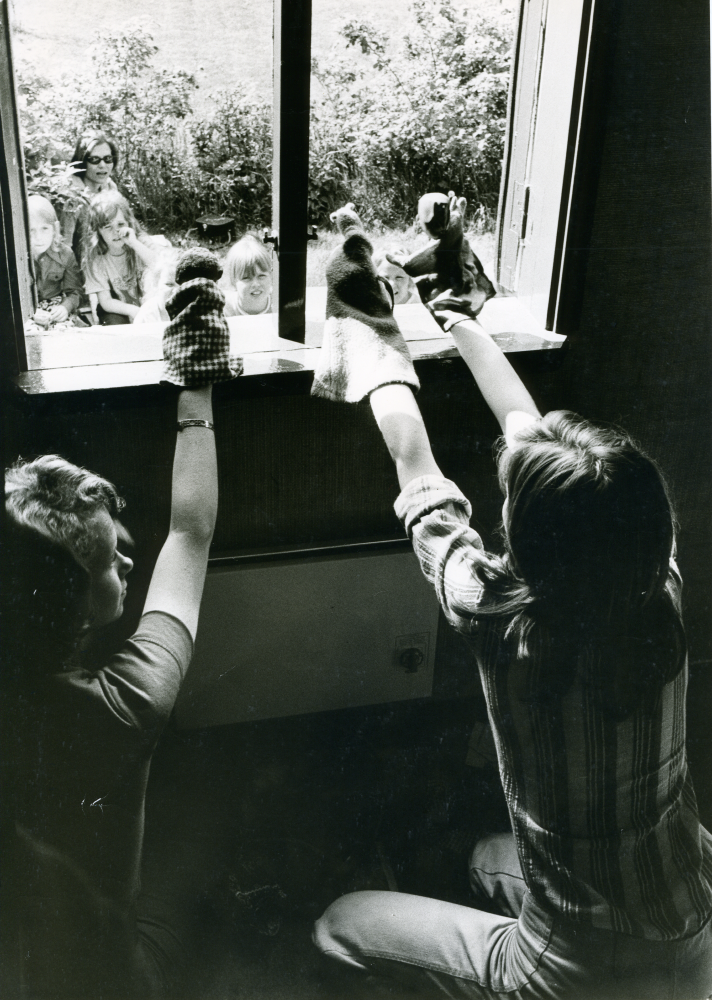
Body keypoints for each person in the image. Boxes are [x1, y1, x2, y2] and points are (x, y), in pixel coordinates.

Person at [312, 208, 712, 999]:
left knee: (338, 925)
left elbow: (412, 458)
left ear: (522, 537)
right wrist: (459, 316)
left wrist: (370, 334)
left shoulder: (496, 615)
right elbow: (528, 435)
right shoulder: (657, 587)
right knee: (486, 857)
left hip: (575, 973)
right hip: (695, 925)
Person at [1, 249, 235, 997]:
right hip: (105, 966)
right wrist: (195, 384)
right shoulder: (122, 706)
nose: (128, 563)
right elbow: (191, 533)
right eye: (109, 564)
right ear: (67, 605)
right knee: (213, 820)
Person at [83, 190, 159, 325]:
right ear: (98, 231)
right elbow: (106, 301)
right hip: (119, 309)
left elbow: (160, 267)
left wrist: (134, 243)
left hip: (149, 304)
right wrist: (134, 311)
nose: (116, 232)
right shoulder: (96, 258)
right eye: (107, 227)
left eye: (120, 224)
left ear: (129, 222)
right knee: (113, 321)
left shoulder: (140, 242)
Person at [25, 194, 84, 330]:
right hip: (25, 310)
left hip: (54, 308)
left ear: (54, 229)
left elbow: (74, 291)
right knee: (30, 333)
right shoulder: (16, 256)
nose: (38, 237)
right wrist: (29, 312)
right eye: (31, 230)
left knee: (63, 332)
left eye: (44, 229)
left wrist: (65, 307)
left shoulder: (65, 254)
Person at [59, 130, 120, 260]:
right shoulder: (72, 198)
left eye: (108, 159)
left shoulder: (110, 187)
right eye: (94, 160)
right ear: (82, 161)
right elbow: (64, 249)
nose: (103, 165)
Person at [222, 233, 273, 316]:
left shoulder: (279, 305)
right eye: (246, 278)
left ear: (270, 276)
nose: (256, 284)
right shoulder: (225, 308)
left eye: (261, 276)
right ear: (233, 281)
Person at [134, 249, 179, 325]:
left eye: (182, 284)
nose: (176, 290)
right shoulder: (146, 314)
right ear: (155, 284)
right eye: (169, 284)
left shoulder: (190, 308)